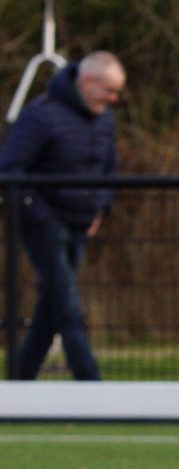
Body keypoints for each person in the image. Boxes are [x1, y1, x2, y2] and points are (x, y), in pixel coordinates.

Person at [2, 50, 123, 381]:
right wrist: (39, 214)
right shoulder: (40, 116)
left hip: (81, 222)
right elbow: (11, 169)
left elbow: (109, 168)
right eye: (109, 91)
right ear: (87, 82)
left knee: (51, 305)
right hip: (44, 225)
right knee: (68, 305)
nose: (113, 99)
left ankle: (19, 381)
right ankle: (90, 383)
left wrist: (101, 207)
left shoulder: (104, 119)